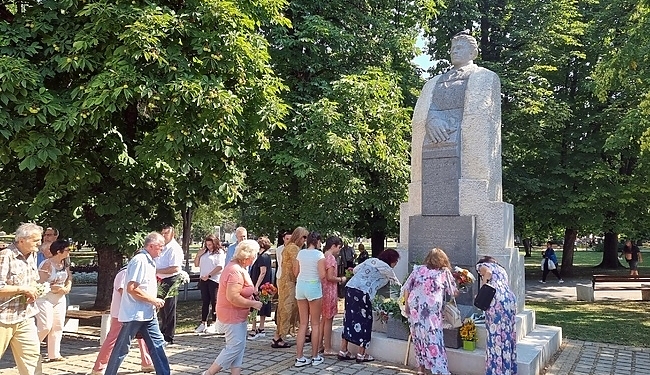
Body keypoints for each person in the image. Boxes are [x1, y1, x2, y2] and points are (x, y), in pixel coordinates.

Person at [104, 232, 170, 375]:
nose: (162, 250)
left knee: (158, 345)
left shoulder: (150, 261)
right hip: (135, 314)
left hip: (147, 313)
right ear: (151, 246)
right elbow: (132, 288)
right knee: (122, 348)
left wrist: (152, 302)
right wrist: (154, 300)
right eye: (161, 246)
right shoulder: (140, 260)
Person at [200, 240, 263, 375]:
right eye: (254, 256)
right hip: (231, 314)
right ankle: (209, 373)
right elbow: (233, 297)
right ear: (247, 256)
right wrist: (253, 304)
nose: (254, 259)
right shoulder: (234, 271)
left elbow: (242, 291)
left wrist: (251, 297)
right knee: (234, 347)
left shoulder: (239, 267)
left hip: (238, 314)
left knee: (239, 347)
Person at [338, 249, 401, 363]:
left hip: (351, 288)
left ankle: (343, 350)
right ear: (391, 260)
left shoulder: (371, 260)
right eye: (395, 261)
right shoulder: (387, 269)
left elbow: (356, 270)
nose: (396, 264)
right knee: (365, 320)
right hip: (363, 293)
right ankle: (361, 354)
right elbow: (396, 284)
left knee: (349, 318)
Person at [402, 248, 457, 375]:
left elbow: (407, 287)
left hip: (415, 308)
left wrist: (406, 306)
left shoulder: (418, 269)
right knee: (433, 338)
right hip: (430, 311)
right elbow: (453, 292)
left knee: (418, 338)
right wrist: (463, 283)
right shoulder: (444, 272)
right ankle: (439, 369)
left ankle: (421, 369)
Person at [91, 266, 153, 375]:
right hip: (121, 313)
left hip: (136, 312)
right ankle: (99, 367)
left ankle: (147, 362)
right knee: (113, 339)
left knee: (142, 336)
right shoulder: (125, 273)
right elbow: (124, 292)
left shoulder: (138, 273)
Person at [0, 223, 43, 375]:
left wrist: (34, 290)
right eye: (35, 240)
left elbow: (33, 281)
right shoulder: (5, 255)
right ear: (21, 240)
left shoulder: (33, 254)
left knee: (33, 359)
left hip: (25, 315)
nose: (39, 243)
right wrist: (22, 289)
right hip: (3, 318)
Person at [476, 256, 517, 375]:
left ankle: (496, 370)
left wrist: (482, 292)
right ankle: (508, 369)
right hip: (509, 300)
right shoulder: (501, 268)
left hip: (496, 301)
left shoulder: (481, 266)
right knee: (507, 334)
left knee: (495, 336)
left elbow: (487, 273)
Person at [271, 227, 309, 349]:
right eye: (304, 237)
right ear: (298, 236)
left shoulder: (290, 246)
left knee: (284, 307)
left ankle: (278, 336)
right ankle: (279, 337)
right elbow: (296, 267)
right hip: (289, 282)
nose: (305, 240)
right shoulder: (293, 248)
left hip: (286, 281)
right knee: (287, 308)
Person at [35, 239, 73, 362]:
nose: (69, 252)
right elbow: (40, 284)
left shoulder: (64, 264)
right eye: (67, 250)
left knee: (58, 326)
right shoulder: (47, 264)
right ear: (58, 251)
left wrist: (67, 288)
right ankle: (31, 351)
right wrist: (53, 287)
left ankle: (54, 354)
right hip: (45, 298)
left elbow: (69, 278)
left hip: (60, 298)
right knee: (45, 326)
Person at [293, 232, 326, 367]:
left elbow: (295, 272)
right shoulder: (319, 255)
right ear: (317, 241)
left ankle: (299, 357)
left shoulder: (301, 253)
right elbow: (322, 275)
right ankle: (315, 356)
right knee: (316, 324)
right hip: (313, 287)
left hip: (300, 286)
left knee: (303, 324)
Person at [155, 225, 184, 345]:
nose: (163, 235)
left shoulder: (174, 248)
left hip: (171, 280)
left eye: (166, 233)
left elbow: (175, 268)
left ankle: (169, 336)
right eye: (162, 233)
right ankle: (163, 331)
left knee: (169, 307)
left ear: (172, 234)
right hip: (161, 279)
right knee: (161, 307)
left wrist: (157, 270)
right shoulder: (163, 247)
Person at [193, 235, 225, 334]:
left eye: (210, 244)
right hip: (203, 279)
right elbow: (196, 264)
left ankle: (214, 322)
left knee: (214, 301)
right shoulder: (204, 252)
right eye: (207, 245)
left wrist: (210, 275)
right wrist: (198, 255)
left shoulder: (219, 252)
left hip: (214, 280)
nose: (209, 246)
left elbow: (220, 266)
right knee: (205, 301)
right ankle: (203, 323)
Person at [319, 236, 345, 357]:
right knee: (328, 320)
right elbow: (330, 277)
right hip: (329, 291)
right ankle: (327, 347)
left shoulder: (322, 256)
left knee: (323, 320)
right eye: (339, 247)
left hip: (322, 290)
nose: (339, 250)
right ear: (333, 246)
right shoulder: (331, 258)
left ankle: (319, 345)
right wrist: (341, 279)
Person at [248, 236, 272, 340]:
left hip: (261, 286)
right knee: (262, 306)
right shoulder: (265, 256)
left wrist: (256, 286)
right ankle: (261, 328)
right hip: (265, 285)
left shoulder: (262, 257)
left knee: (255, 306)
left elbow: (263, 272)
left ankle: (254, 329)